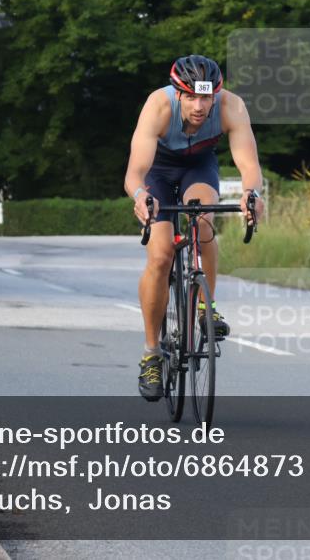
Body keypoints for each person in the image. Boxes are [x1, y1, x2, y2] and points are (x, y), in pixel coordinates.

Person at [124, 54, 265, 401]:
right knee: (160, 256)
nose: (201, 107)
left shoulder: (232, 106)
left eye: (207, 98)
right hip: (159, 169)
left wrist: (252, 194)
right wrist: (141, 196)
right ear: (178, 93)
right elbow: (135, 172)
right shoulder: (158, 106)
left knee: (203, 220)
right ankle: (152, 353)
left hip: (199, 165)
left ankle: (206, 305)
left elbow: (248, 163)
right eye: (192, 97)